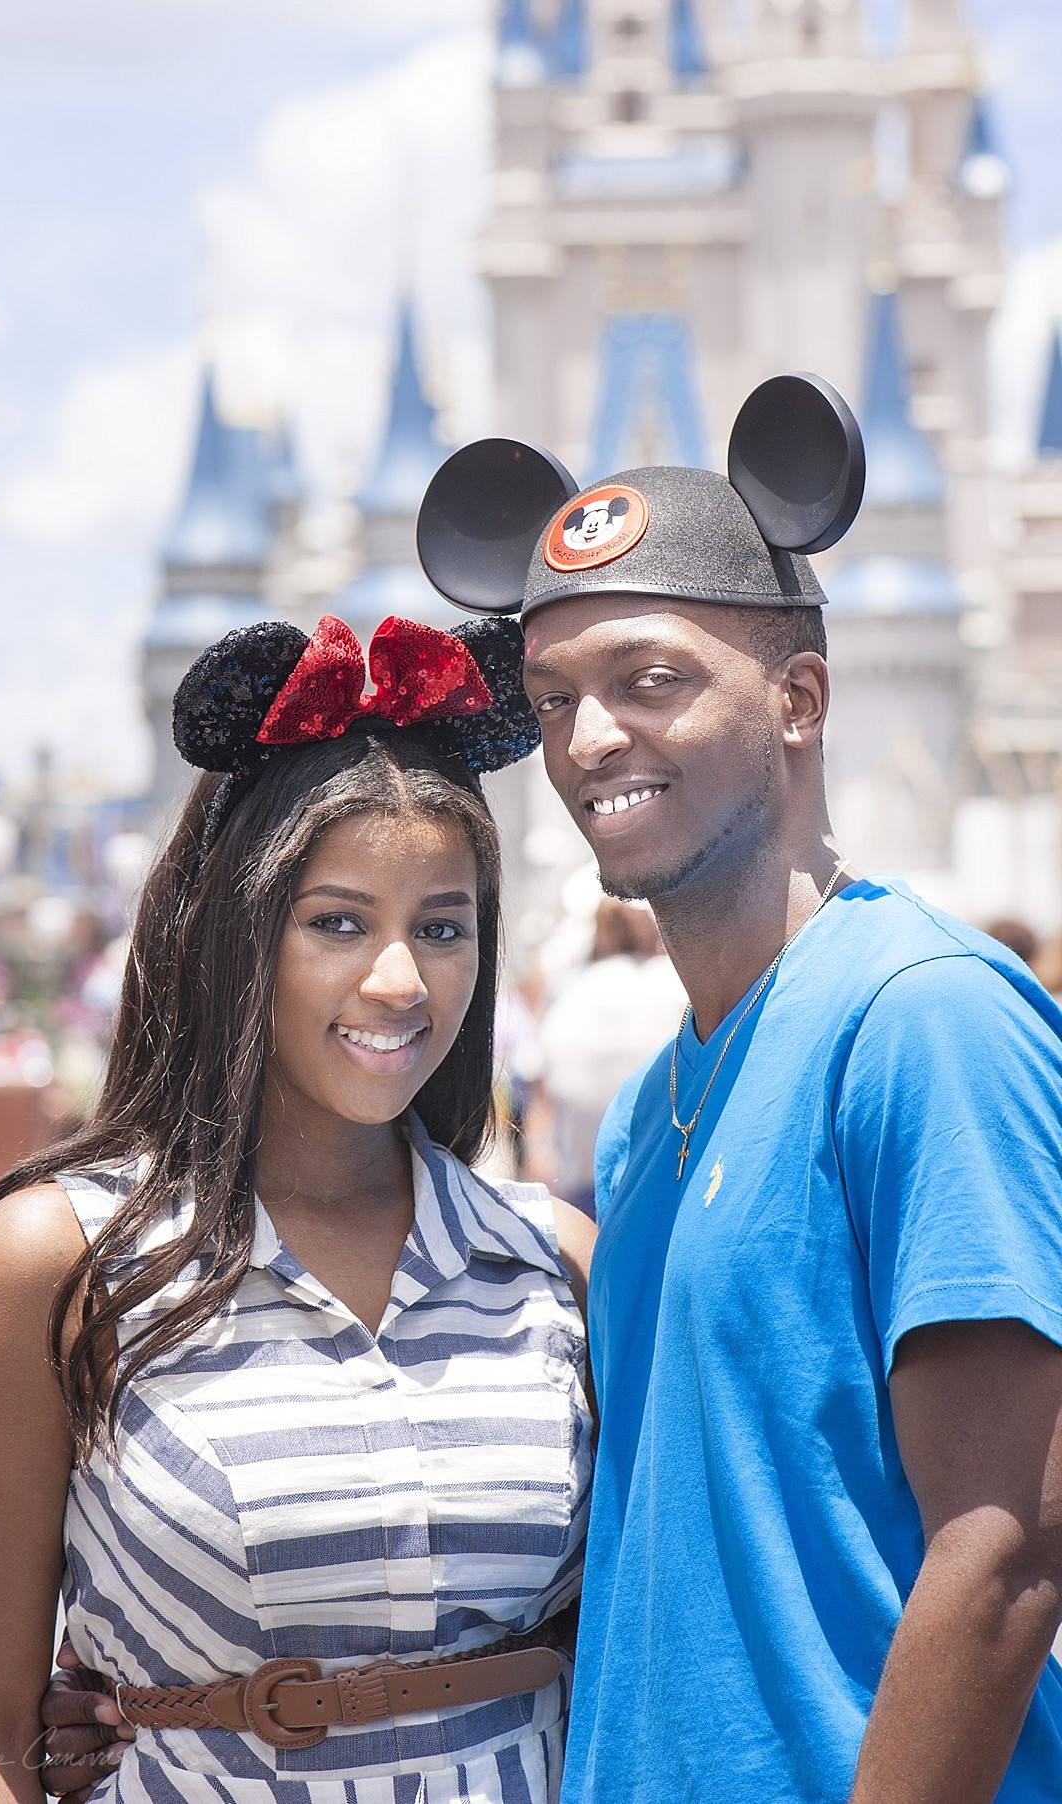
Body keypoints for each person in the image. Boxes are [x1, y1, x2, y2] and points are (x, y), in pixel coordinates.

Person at [409, 386, 1062, 1803]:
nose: (588, 741)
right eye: (555, 699)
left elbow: (1006, 1551)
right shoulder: (656, 1104)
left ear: (802, 697)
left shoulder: (921, 1016)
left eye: (650, 681)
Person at [0, 612, 594, 1804]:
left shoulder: (554, 1263)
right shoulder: (59, 1264)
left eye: (443, 927)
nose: (400, 978)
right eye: (338, 922)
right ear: (236, 931)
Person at [536, 896, 686, 1218]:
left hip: (584, 1178)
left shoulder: (570, 994)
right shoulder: (676, 986)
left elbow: (544, 1086)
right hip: (664, 1172)